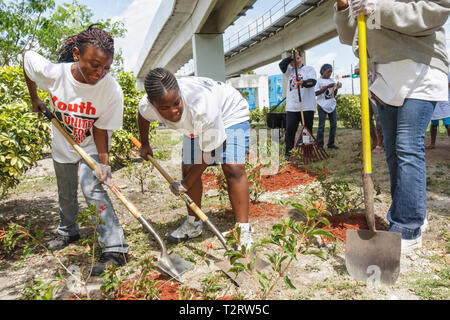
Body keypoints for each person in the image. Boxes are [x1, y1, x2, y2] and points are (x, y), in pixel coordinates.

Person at [334, 0, 449, 254]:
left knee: (407, 146)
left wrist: (378, 8)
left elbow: (436, 12)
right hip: (383, 74)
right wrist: (343, 8)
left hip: (421, 66)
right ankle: (414, 212)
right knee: (393, 151)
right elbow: (348, 36)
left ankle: (408, 227)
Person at [22, 25, 129, 275]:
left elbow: (101, 130)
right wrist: (34, 97)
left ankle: (115, 248)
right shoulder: (53, 73)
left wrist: (104, 164)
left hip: (90, 145)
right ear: (77, 54)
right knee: (66, 194)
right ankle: (68, 232)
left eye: (106, 67)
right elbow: (26, 57)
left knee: (92, 187)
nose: (100, 73)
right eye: (94, 65)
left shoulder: (111, 89)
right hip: (62, 145)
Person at [137, 69, 253, 248]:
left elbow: (209, 152)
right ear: (153, 104)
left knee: (233, 167)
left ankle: (243, 231)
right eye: (165, 108)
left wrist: (186, 184)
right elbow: (143, 116)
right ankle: (193, 224)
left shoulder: (201, 106)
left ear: (181, 95)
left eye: (177, 103)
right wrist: (145, 143)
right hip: (196, 124)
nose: (173, 111)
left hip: (229, 111)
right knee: (189, 167)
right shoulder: (147, 106)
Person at [279, 49, 317, 161]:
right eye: (294, 60)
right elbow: (281, 65)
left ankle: (307, 152)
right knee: (290, 131)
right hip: (292, 107)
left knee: (306, 130)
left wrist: (303, 83)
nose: (297, 61)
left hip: (307, 106)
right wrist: (292, 58)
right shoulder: (289, 71)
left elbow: (312, 82)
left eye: (299, 58)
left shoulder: (308, 69)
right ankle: (289, 153)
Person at [354, 63, 384, 154]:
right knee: (367, 119)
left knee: (379, 118)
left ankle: (380, 144)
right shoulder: (363, 59)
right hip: (366, 94)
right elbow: (356, 71)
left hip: (378, 93)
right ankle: (374, 141)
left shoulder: (377, 57)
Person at [315, 64, 342, 150]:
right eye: (328, 72)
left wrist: (336, 88)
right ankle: (320, 145)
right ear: (323, 71)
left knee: (333, 124)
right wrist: (327, 87)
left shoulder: (332, 81)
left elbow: (333, 94)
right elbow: (316, 93)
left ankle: (331, 144)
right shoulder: (318, 81)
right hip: (322, 105)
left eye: (331, 72)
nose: (329, 74)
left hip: (332, 105)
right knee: (321, 126)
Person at [426, 72, 450, 149]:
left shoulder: (448, 73)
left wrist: (441, 85)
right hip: (434, 99)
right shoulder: (432, 72)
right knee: (434, 123)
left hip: (445, 100)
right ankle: (432, 144)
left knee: (448, 123)